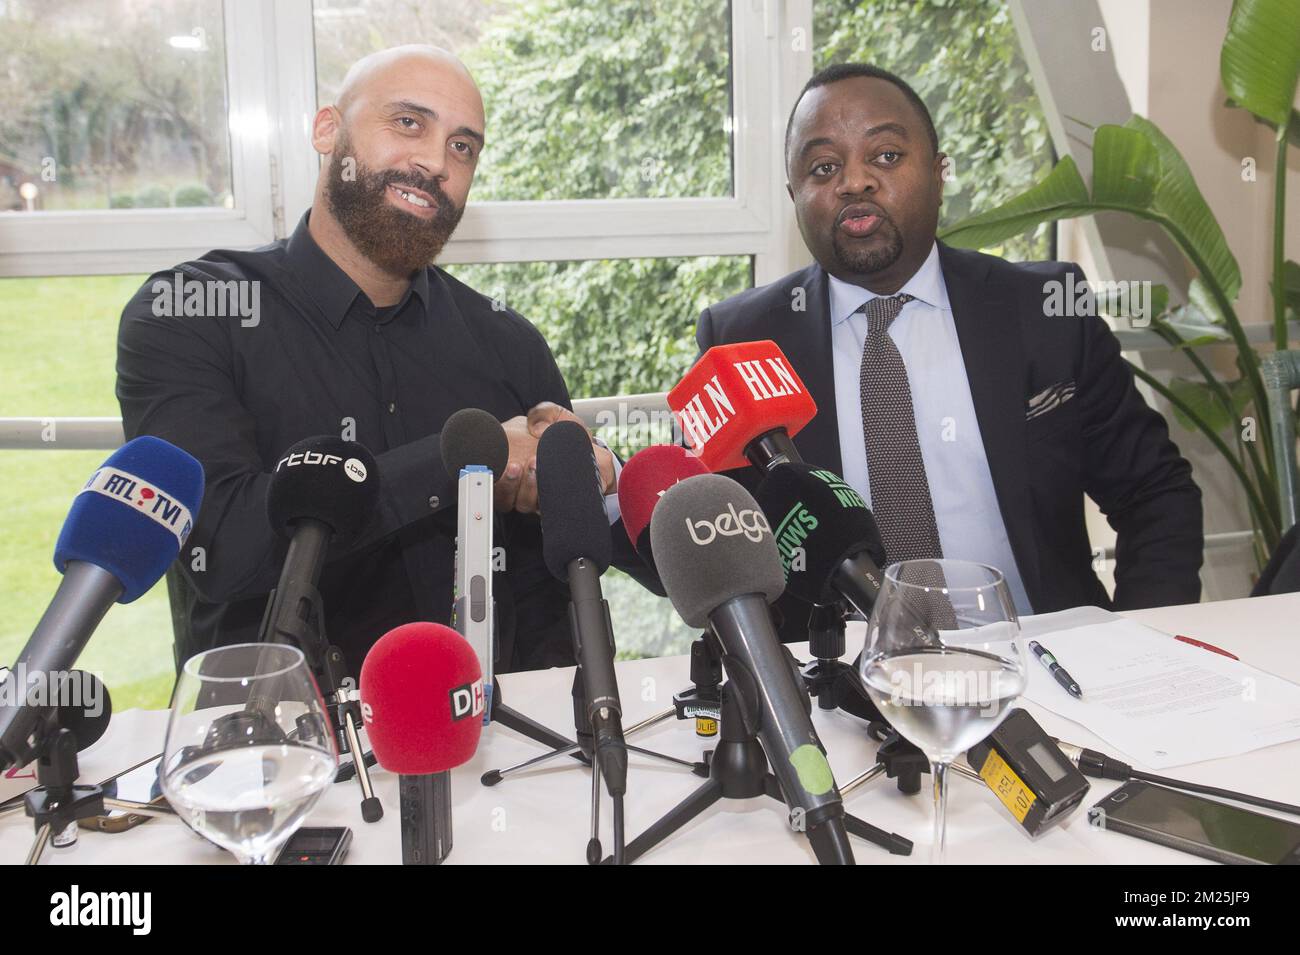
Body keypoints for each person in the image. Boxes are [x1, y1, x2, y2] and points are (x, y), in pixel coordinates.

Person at [117, 45, 646, 676]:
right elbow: (224, 548)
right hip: (279, 744)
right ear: (327, 129)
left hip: (493, 743)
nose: (434, 163)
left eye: (463, 147)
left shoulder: (508, 342)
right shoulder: (192, 313)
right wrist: (466, 462)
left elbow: (545, 589)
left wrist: (585, 473)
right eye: (408, 123)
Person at [697, 63, 1203, 638]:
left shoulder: (1044, 310)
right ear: (796, 195)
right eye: (824, 167)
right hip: (836, 686)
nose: (855, 182)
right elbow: (710, 543)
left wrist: (1136, 645)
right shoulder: (743, 342)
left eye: (886, 156)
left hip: (1044, 659)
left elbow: (1155, 494)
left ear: (939, 175)